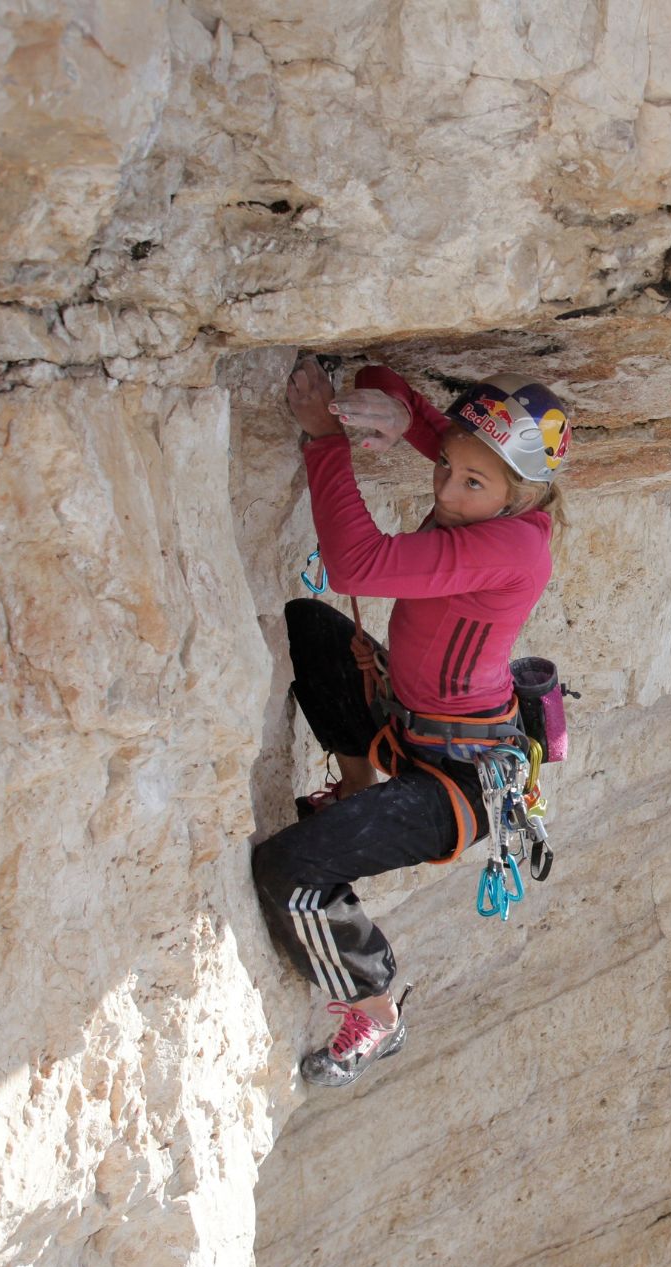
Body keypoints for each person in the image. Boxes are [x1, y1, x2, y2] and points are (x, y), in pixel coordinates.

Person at [252, 355, 569, 1086]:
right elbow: (399, 393)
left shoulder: (512, 547)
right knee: (310, 627)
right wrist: (394, 411)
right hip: (413, 719)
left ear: (519, 496)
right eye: (446, 469)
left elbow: (356, 564)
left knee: (290, 869)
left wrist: (325, 439)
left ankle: (376, 1002)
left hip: (459, 781)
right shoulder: (492, 494)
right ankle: (361, 786)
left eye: (470, 482)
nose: (448, 492)